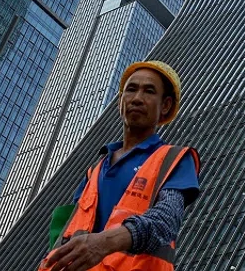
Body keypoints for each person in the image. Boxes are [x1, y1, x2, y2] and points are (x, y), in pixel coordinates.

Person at [39, 61, 199, 271]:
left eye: (149, 91)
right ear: (120, 101)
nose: (137, 98)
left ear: (165, 106)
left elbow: (166, 220)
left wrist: (103, 243)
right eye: (131, 89)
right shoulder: (95, 171)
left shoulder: (173, 159)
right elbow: (65, 235)